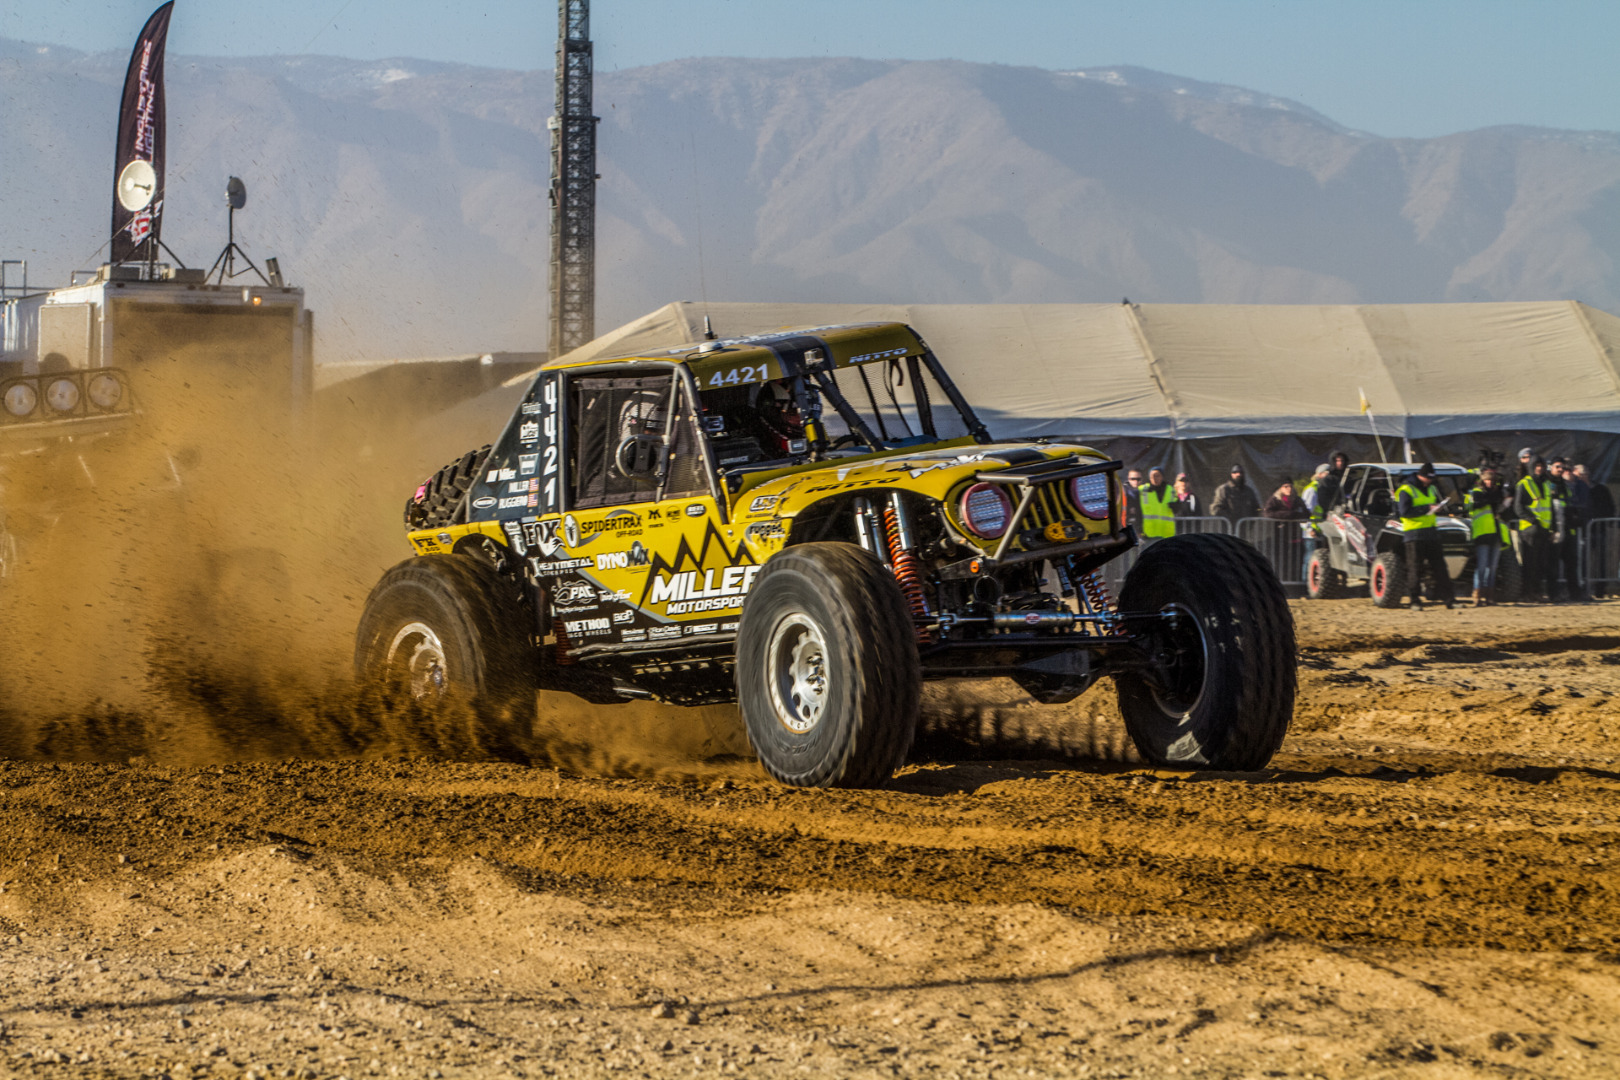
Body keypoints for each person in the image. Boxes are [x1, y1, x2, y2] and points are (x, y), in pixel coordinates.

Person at [1396, 463, 1455, 610]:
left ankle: (1449, 600)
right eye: (1428, 478)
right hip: (1414, 534)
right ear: (1420, 476)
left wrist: (1438, 508)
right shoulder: (1405, 490)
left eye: (1432, 479)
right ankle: (1414, 600)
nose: (1430, 481)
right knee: (1415, 568)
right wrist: (1426, 509)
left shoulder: (1432, 488)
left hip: (1431, 532)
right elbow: (1404, 512)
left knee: (1440, 567)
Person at [1467, 466, 1509, 606]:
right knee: (1482, 566)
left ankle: (1489, 596)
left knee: (1492, 567)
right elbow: (1478, 503)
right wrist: (1496, 499)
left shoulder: (1498, 494)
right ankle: (1478, 595)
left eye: (1491, 480)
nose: (1489, 482)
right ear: (1482, 481)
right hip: (1483, 534)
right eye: (1487, 480)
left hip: (1496, 534)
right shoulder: (1477, 492)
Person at [1515, 457, 1555, 602]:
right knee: (1529, 564)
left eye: (1542, 465)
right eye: (1537, 465)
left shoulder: (1547, 484)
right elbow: (1518, 507)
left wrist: (1553, 528)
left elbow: (1550, 507)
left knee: (1541, 564)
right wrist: (1532, 521)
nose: (1540, 468)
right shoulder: (1524, 484)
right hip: (1529, 530)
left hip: (1544, 530)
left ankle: (1537, 592)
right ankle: (1527, 593)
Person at [1548, 459, 1586, 601]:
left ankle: (1575, 593)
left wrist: (1575, 516)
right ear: (1551, 467)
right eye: (1558, 467)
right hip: (1554, 529)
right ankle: (1554, 594)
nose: (1560, 470)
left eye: (1562, 468)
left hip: (1567, 528)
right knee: (1553, 565)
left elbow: (1571, 502)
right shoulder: (1547, 484)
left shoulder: (1565, 485)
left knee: (1572, 562)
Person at [1300, 464, 1333, 581]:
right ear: (1319, 475)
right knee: (1310, 559)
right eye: (1326, 474)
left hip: (1323, 531)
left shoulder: (1326, 489)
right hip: (1312, 532)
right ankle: (1305, 585)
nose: (1328, 477)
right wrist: (1309, 529)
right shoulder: (1312, 490)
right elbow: (1304, 513)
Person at [1138, 466, 1177, 541]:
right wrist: (1138, 529)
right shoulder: (1142, 490)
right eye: (1151, 476)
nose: (1154, 478)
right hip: (1148, 534)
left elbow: (1178, 508)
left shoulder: (1171, 490)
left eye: (1157, 475)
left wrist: (1176, 506)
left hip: (1167, 534)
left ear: (1162, 477)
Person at [1124, 468, 1144, 533]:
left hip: (1143, 529)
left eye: (1138, 479)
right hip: (1126, 527)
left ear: (1142, 479)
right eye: (1132, 479)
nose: (1136, 482)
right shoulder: (1122, 492)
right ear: (1128, 479)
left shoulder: (1147, 492)